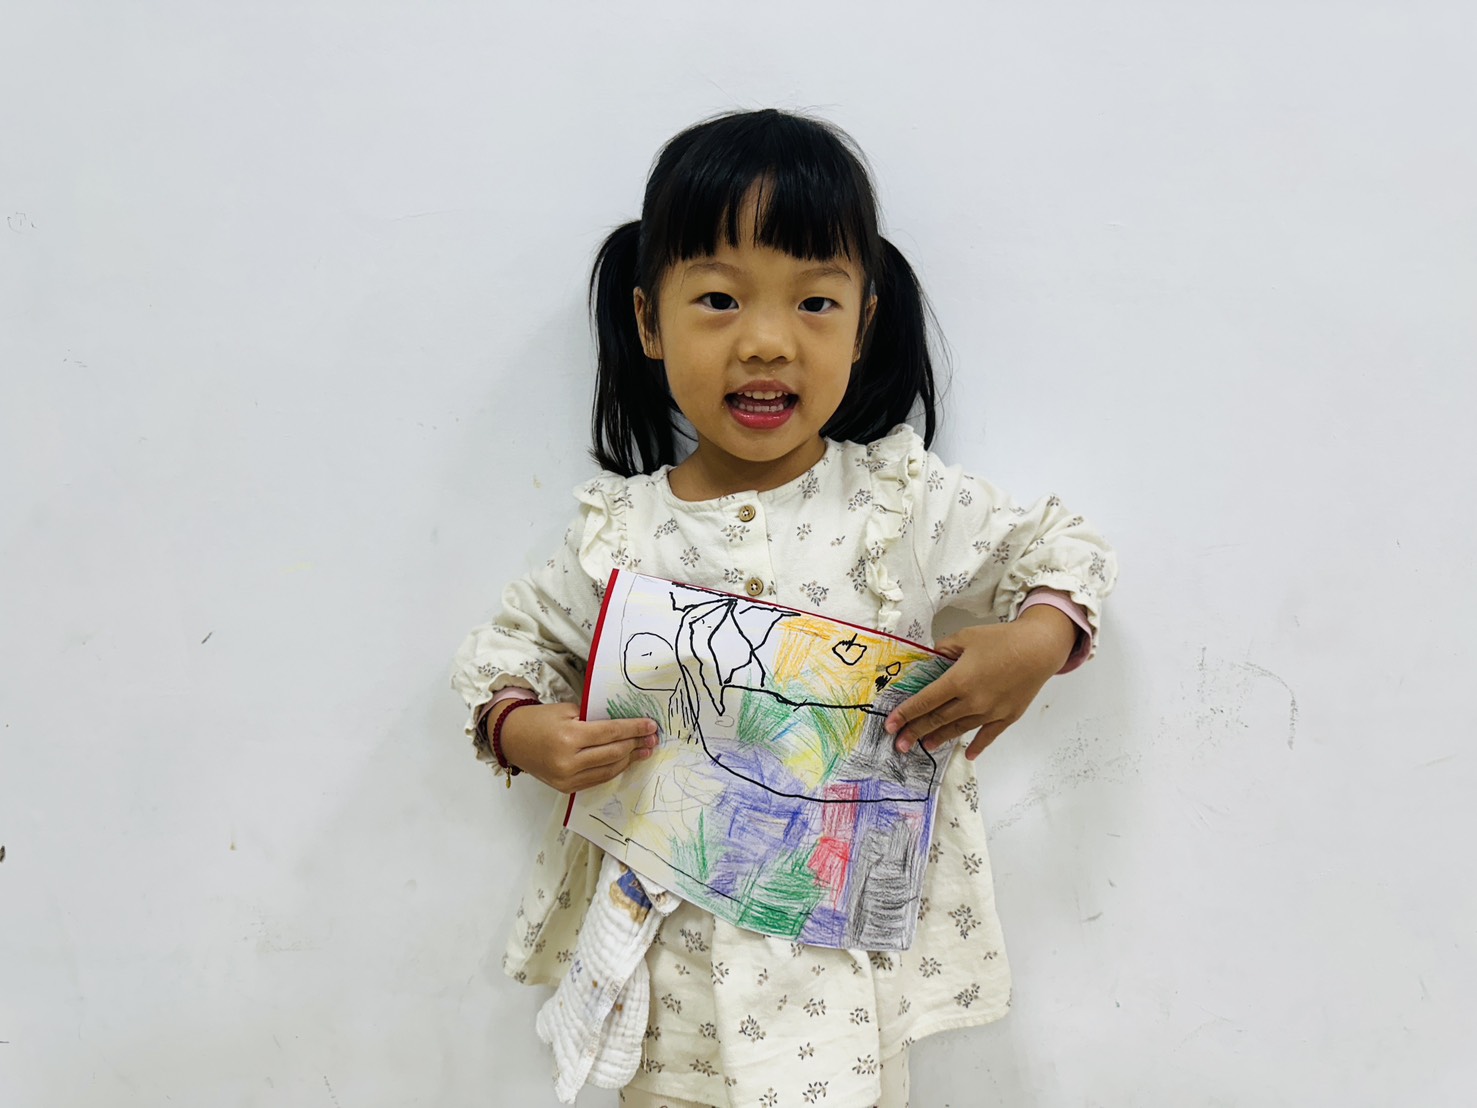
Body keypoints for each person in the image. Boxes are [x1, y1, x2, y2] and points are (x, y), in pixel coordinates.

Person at [452, 108, 1117, 1108]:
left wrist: (1035, 640)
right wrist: (523, 730)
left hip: (843, 970)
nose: (766, 342)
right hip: (663, 963)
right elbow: (506, 649)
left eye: (813, 302)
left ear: (863, 325)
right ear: (648, 322)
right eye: (718, 299)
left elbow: (1062, 546)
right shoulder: (619, 534)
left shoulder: (897, 503)